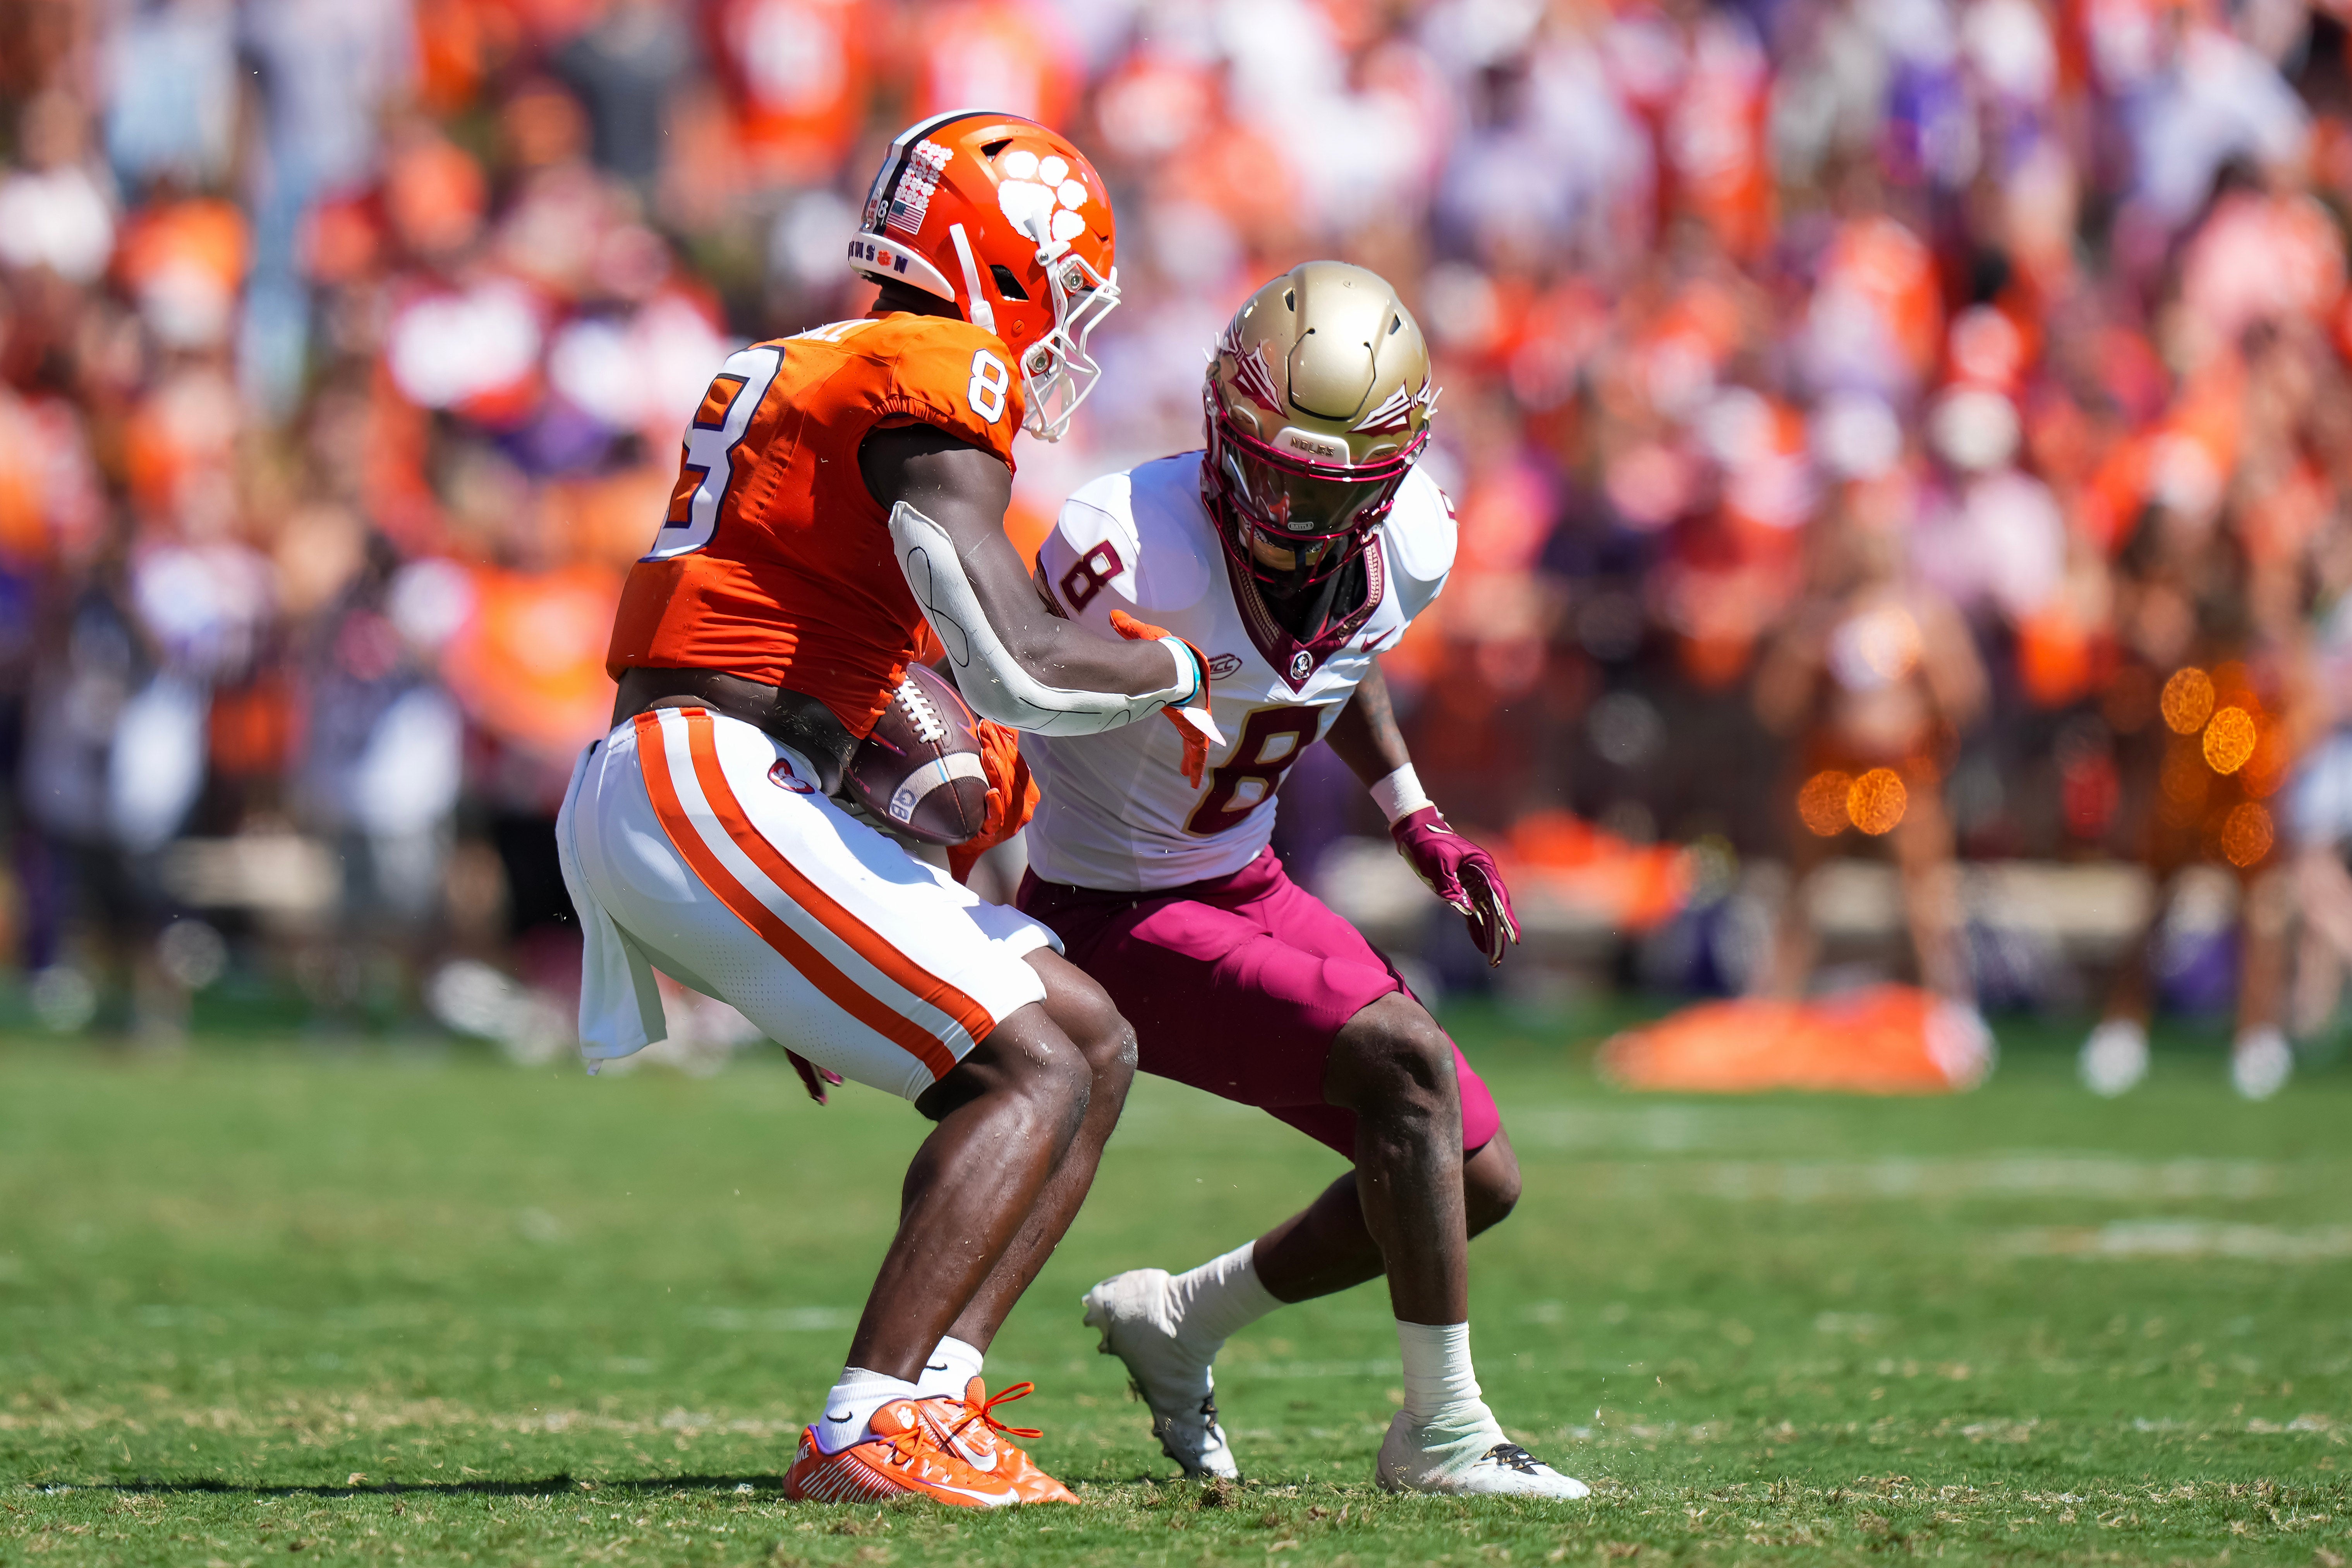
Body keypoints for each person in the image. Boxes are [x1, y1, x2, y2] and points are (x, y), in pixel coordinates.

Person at [555, 110, 1222, 1508]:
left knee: (1092, 1038)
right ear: (1002, 263)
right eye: (1059, 290)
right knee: (1029, 1064)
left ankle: (938, 1398)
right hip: (712, 776)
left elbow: (833, 643)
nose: (1057, 336)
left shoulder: (812, 356)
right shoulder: (936, 359)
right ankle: (864, 1424)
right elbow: (1012, 660)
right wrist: (1182, 664)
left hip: (731, 774)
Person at [1011, 261, 1588, 1499]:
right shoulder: (1124, 539)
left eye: (1329, 492)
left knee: (1472, 1175)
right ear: (1222, 424)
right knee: (1408, 1068)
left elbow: (1340, 652)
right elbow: (1004, 700)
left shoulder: (1410, 540)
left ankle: (1181, 1320)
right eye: (1272, 471)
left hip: (1245, 877)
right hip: (1108, 911)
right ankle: (1441, 1434)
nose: (1294, 514)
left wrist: (1411, 809)